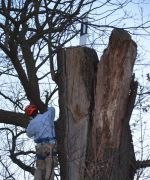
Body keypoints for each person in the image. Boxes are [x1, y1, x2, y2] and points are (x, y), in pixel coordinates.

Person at [24, 104, 57, 180]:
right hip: (50, 146)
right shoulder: (47, 115)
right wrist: (46, 108)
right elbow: (52, 109)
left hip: (40, 148)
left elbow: (29, 134)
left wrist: (31, 122)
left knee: (39, 168)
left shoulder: (31, 124)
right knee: (50, 166)